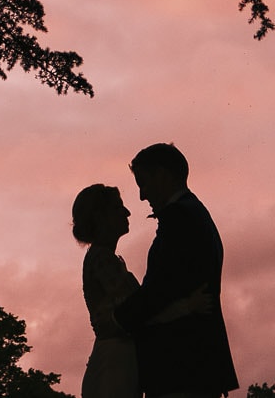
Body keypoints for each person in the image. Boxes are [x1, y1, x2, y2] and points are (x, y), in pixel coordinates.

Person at [110, 143, 238, 398]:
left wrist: (119, 318)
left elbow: (161, 288)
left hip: (181, 366)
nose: (142, 196)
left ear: (163, 175)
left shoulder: (180, 219)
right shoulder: (195, 213)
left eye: (143, 184)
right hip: (196, 366)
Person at [72, 183, 212, 398]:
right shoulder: (102, 260)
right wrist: (186, 307)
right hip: (116, 363)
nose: (127, 212)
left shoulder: (103, 259)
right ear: (100, 217)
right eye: (118, 207)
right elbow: (136, 312)